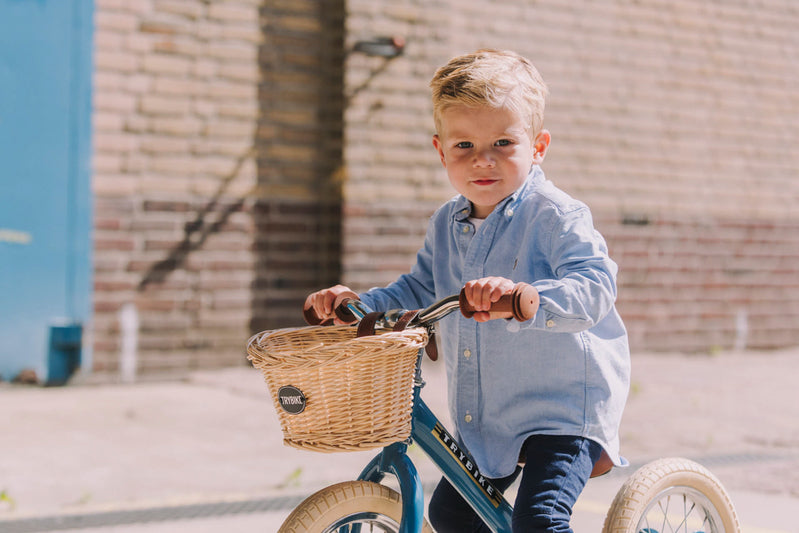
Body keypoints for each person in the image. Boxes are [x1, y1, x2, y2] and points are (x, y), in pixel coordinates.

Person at [304, 49, 630, 533]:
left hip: (560, 411)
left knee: (539, 520)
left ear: (537, 146)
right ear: (440, 150)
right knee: (453, 515)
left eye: (503, 142)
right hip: (488, 413)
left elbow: (594, 284)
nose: (483, 159)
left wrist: (525, 297)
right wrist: (358, 307)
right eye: (464, 146)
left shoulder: (556, 216)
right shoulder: (445, 223)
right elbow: (417, 288)